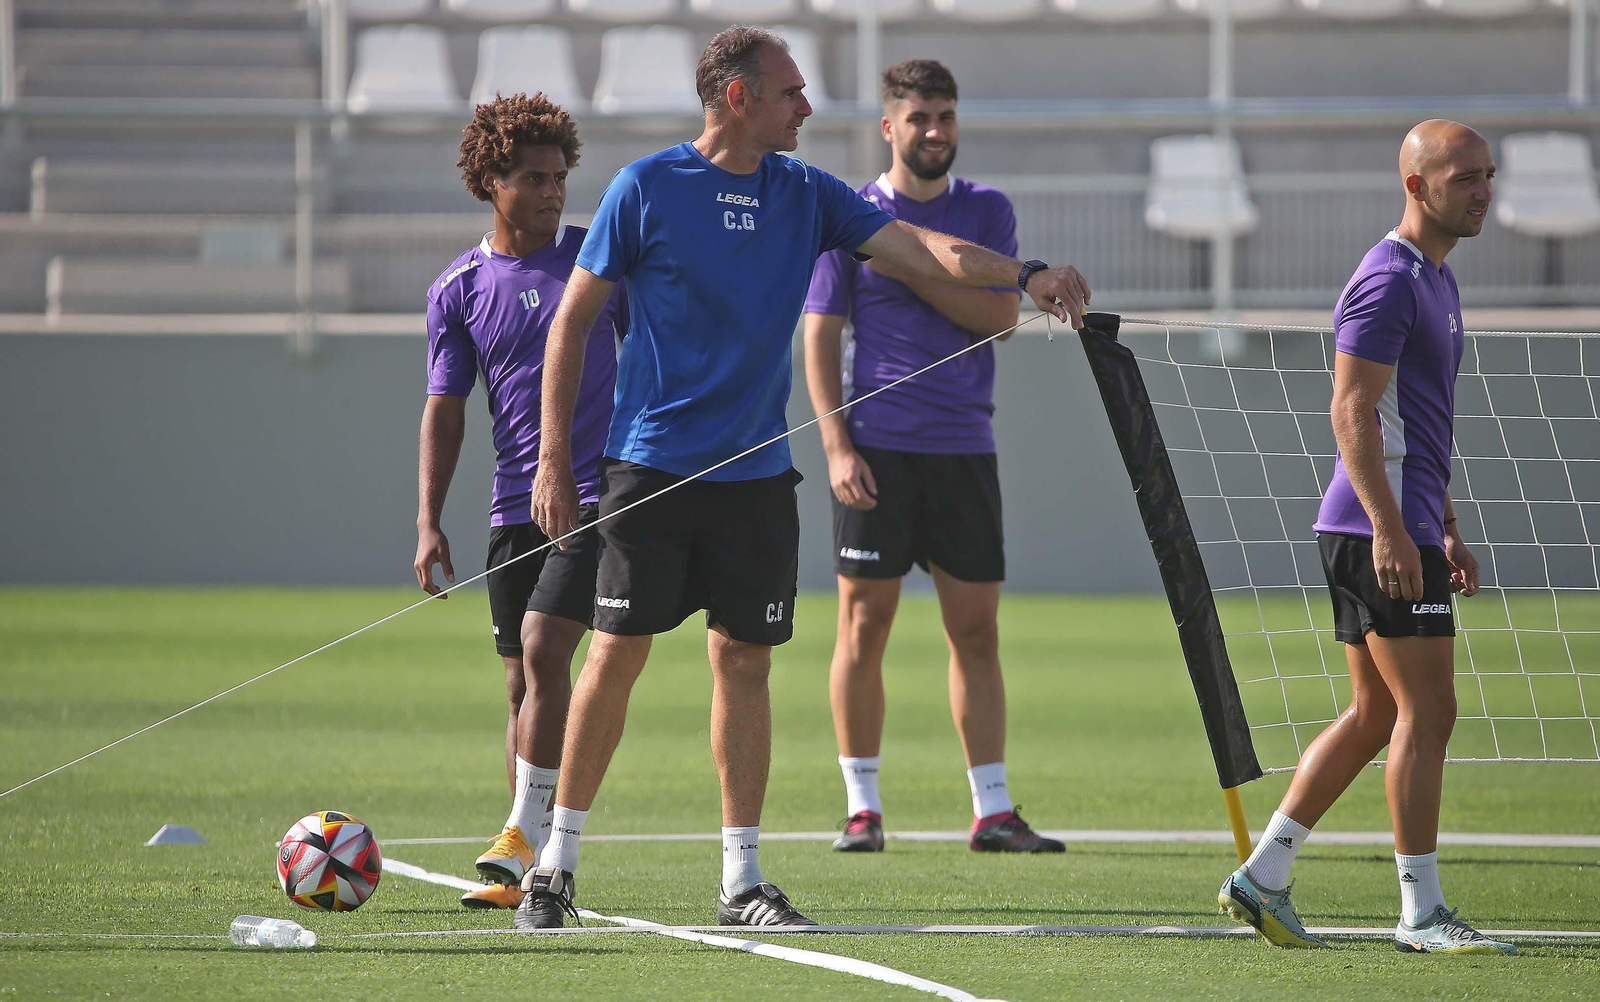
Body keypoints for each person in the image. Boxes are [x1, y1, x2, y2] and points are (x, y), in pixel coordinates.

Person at [520, 26, 1091, 930]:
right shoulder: (647, 188)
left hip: (757, 482)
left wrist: (1026, 273)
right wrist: (556, 460)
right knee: (615, 655)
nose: (808, 107)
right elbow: (571, 326)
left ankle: (741, 881)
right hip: (649, 471)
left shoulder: (808, 193)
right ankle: (553, 863)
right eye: (791, 92)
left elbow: (925, 250)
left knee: (743, 664)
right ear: (738, 98)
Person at [1218, 120, 1514, 955]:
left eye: (1487, 174)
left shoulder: (1438, 279)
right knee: (1430, 710)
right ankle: (1421, 913)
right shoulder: (1388, 279)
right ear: (1417, 186)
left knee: (1378, 711)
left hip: (1396, 523)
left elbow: (1416, 423)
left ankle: (1263, 876)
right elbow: (1351, 409)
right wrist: (1394, 528)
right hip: (1373, 528)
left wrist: (1443, 524)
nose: (1483, 190)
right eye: (1464, 177)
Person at [802, 59, 1062, 855]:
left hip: (963, 449)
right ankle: (862, 807)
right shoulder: (848, 215)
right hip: (876, 450)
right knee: (862, 627)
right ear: (890, 126)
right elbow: (819, 334)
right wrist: (837, 445)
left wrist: (910, 267)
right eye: (919, 118)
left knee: (976, 634)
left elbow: (1000, 320)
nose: (935, 132)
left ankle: (992, 810)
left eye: (945, 116)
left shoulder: (988, 210)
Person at [414, 92, 626, 911]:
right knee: (521, 685)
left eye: (560, 176)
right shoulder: (458, 289)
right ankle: (524, 863)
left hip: (598, 493)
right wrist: (429, 518)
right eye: (532, 178)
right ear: (488, 181)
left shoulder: (600, 259)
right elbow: (445, 406)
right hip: (514, 508)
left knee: (544, 651)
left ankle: (525, 842)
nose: (552, 191)